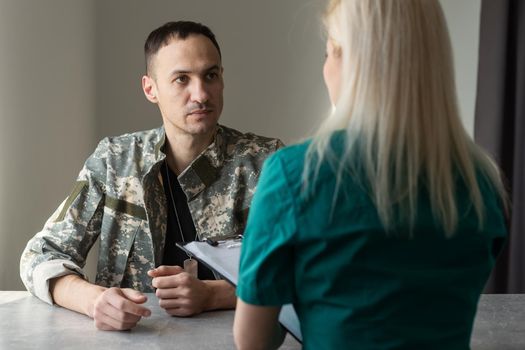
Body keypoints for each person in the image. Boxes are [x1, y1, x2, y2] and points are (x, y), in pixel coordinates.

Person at [233, 0, 509, 349]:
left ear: (348, 61)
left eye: (328, 52)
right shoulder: (480, 181)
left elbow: (252, 341)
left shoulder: (293, 173)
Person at [20, 21, 283, 331]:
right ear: (151, 89)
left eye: (210, 75)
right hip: (132, 339)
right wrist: (94, 301)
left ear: (222, 79)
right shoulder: (114, 161)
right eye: (181, 79)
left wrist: (214, 295)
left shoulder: (266, 163)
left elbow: (304, 270)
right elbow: (39, 256)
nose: (200, 94)